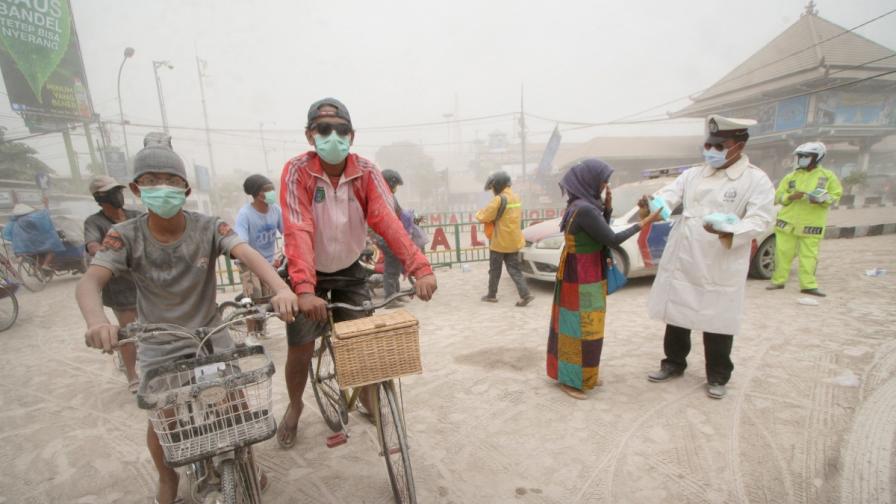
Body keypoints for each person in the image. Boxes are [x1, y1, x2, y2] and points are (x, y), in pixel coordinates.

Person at [77, 133, 298, 504]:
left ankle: (247, 458)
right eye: (150, 181)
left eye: (171, 181)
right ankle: (167, 479)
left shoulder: (208, 226)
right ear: (135, 188)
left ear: (186, 188)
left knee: (236, 404)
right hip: (159, 341)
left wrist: (281, 288)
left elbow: (245, 252)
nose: (161, 188)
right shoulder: (124, 235)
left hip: (211, 334)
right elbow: (89, 282)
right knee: (163, 420)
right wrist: (97, 321)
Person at [278, 97, 437, 448]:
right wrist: (304, 289)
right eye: (324, 129)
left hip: (349, 267)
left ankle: (367, 397)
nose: (333, 136)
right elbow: (298, 227)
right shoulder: (297, 171)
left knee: (366, 341)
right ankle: (294, 405)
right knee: (301, 347)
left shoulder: (366, 171)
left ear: (351, 135)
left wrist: (419, 268)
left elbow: (388, 220)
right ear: (310, 135)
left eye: (341, 130)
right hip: (309, 271)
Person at [645, 115, 776, 399]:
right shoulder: (693, 174)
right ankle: (673, 363)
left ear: (738, 146)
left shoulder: (755, 179)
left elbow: (761, 218)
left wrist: (728, 230)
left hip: (719, 258)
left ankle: (718, 375)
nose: (710, 150)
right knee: (677, 313)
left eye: (719, 145)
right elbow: (668, 195)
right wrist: (654, 203)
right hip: (685, 253)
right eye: (707, 144)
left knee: (717, 318)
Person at [547, 159, 660, 399]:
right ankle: (571, 381)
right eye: (603, 181)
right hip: (582, 276)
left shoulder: (580, 205)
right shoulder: (585, 209)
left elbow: (598, 232)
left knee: (585, 327)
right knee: (579, 329)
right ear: (589, 181)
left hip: (580, 274)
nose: (605, 185)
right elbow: (612, 239)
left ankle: (584, 373)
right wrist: (646, 221)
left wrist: (607, 208)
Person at [83, 175, 141, 392]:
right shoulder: (95, 222)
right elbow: (92, 246)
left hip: (146, 285)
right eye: (112, 192)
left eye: (119, 190)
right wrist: (116, 255)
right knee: (127, 333)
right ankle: (132, 374)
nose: (118, 195)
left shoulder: (136, 216)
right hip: (120, 288)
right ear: (100, 198)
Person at [767, 142, 842, 297]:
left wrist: (822, 200)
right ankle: (778, 281)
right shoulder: (791, 176)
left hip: (811, 224)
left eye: (806, 156)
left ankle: (808, 285)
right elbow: (777, 197)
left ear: (817, 157)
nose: (802, 159)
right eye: (800, 156)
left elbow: (836, 195)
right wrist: (790, 196)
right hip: (787, 223)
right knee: (782, 254)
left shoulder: (827, 177)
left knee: (809, 256)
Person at [235, 174, 284, 341]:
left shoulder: (276, 210)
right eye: (266, 190)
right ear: (256, 194)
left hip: (269, 262)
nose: (270, 192)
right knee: (253, 298)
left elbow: (287, 232)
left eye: (271, 188)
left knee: (268, 298)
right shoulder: (245, 214)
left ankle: (261, 330)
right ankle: (250, 334)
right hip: (249, 263)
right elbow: (242, 243)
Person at [475, 171, 534, 307]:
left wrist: (478, 214)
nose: (493, 190)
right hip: (514, 241)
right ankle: (525, 294)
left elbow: (484, 216)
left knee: (495, 270)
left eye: (493, 187)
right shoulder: (517, 197)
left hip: (499, 242)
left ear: (499, 185)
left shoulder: (499, 199)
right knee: (514, 269)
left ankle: (491, 295)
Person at [2, 203, 63, 273]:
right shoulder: (32, 217)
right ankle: (45, 265)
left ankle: (36, 268)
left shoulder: (15, 221)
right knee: (52, 249)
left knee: (34, 254)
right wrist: (46, 205)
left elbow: (6, 233)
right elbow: (44, 215)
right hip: (34, 242)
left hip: (23, 246)